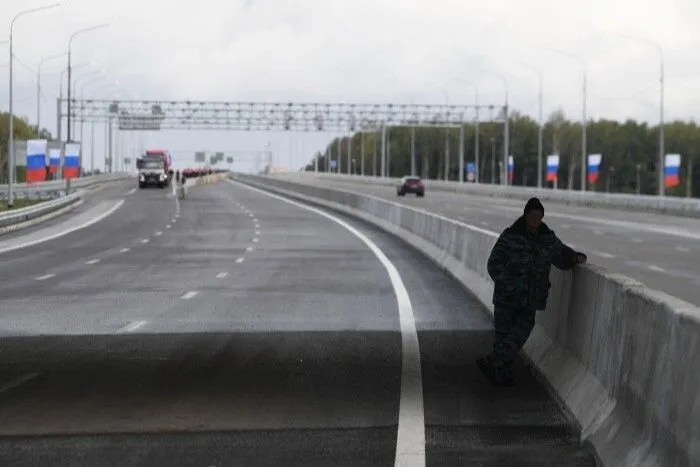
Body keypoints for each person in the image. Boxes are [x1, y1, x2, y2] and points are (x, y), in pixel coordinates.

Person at [478, 197, 587, 387]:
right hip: (506, 300)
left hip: (529, 301)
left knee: (519, 335)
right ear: (526, 215)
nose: (536, 219)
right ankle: (500, 375)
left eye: (539, 215)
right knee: (504, 338)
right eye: (532, 215)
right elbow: (493, 264)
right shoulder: (510, 236)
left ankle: (493, 363)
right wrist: (509, 285)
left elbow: (561, 255)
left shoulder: (547, 239)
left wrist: (574, 257)